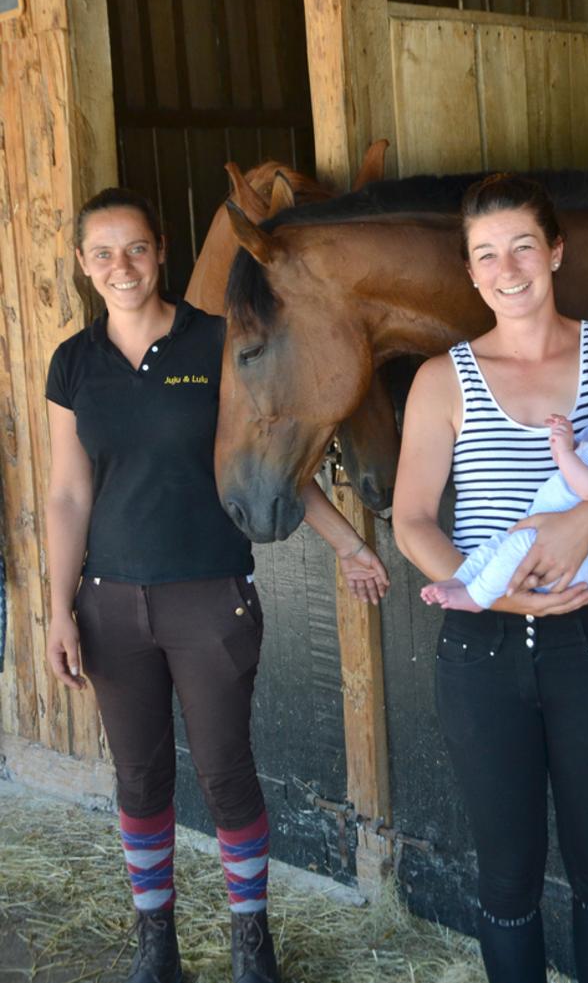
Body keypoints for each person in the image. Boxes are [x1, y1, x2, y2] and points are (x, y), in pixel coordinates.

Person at [45, 187, 389, 983]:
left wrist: (346, 544)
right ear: (81, 265)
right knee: (137, 777)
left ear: (161, 251)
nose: (119, 266)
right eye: (101, 253)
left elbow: (266, 456)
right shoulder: (74, 360)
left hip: (208, 595)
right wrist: (59, 607)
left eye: (134, 248)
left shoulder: (218, 341)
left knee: (226, 771)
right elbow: (66, 494)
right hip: (108, 602)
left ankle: (249, 942)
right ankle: (155, 945)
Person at [392, 173, 588, 983]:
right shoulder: (442, 379)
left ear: (556, 250)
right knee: (506, 878)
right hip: (482, 650)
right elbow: (412, 520)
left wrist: (586, 520)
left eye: (523, 245)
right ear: (469, 270)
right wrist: (491, 585)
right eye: (486, 253)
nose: (507, 267)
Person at [421, 376, 588, 611]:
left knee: (517, 544)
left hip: (582, 556)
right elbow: (569, 460)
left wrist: (566, 451)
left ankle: (476, 597)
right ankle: (461, 580)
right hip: (546, 533)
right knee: (499, 544)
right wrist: (565, 440)